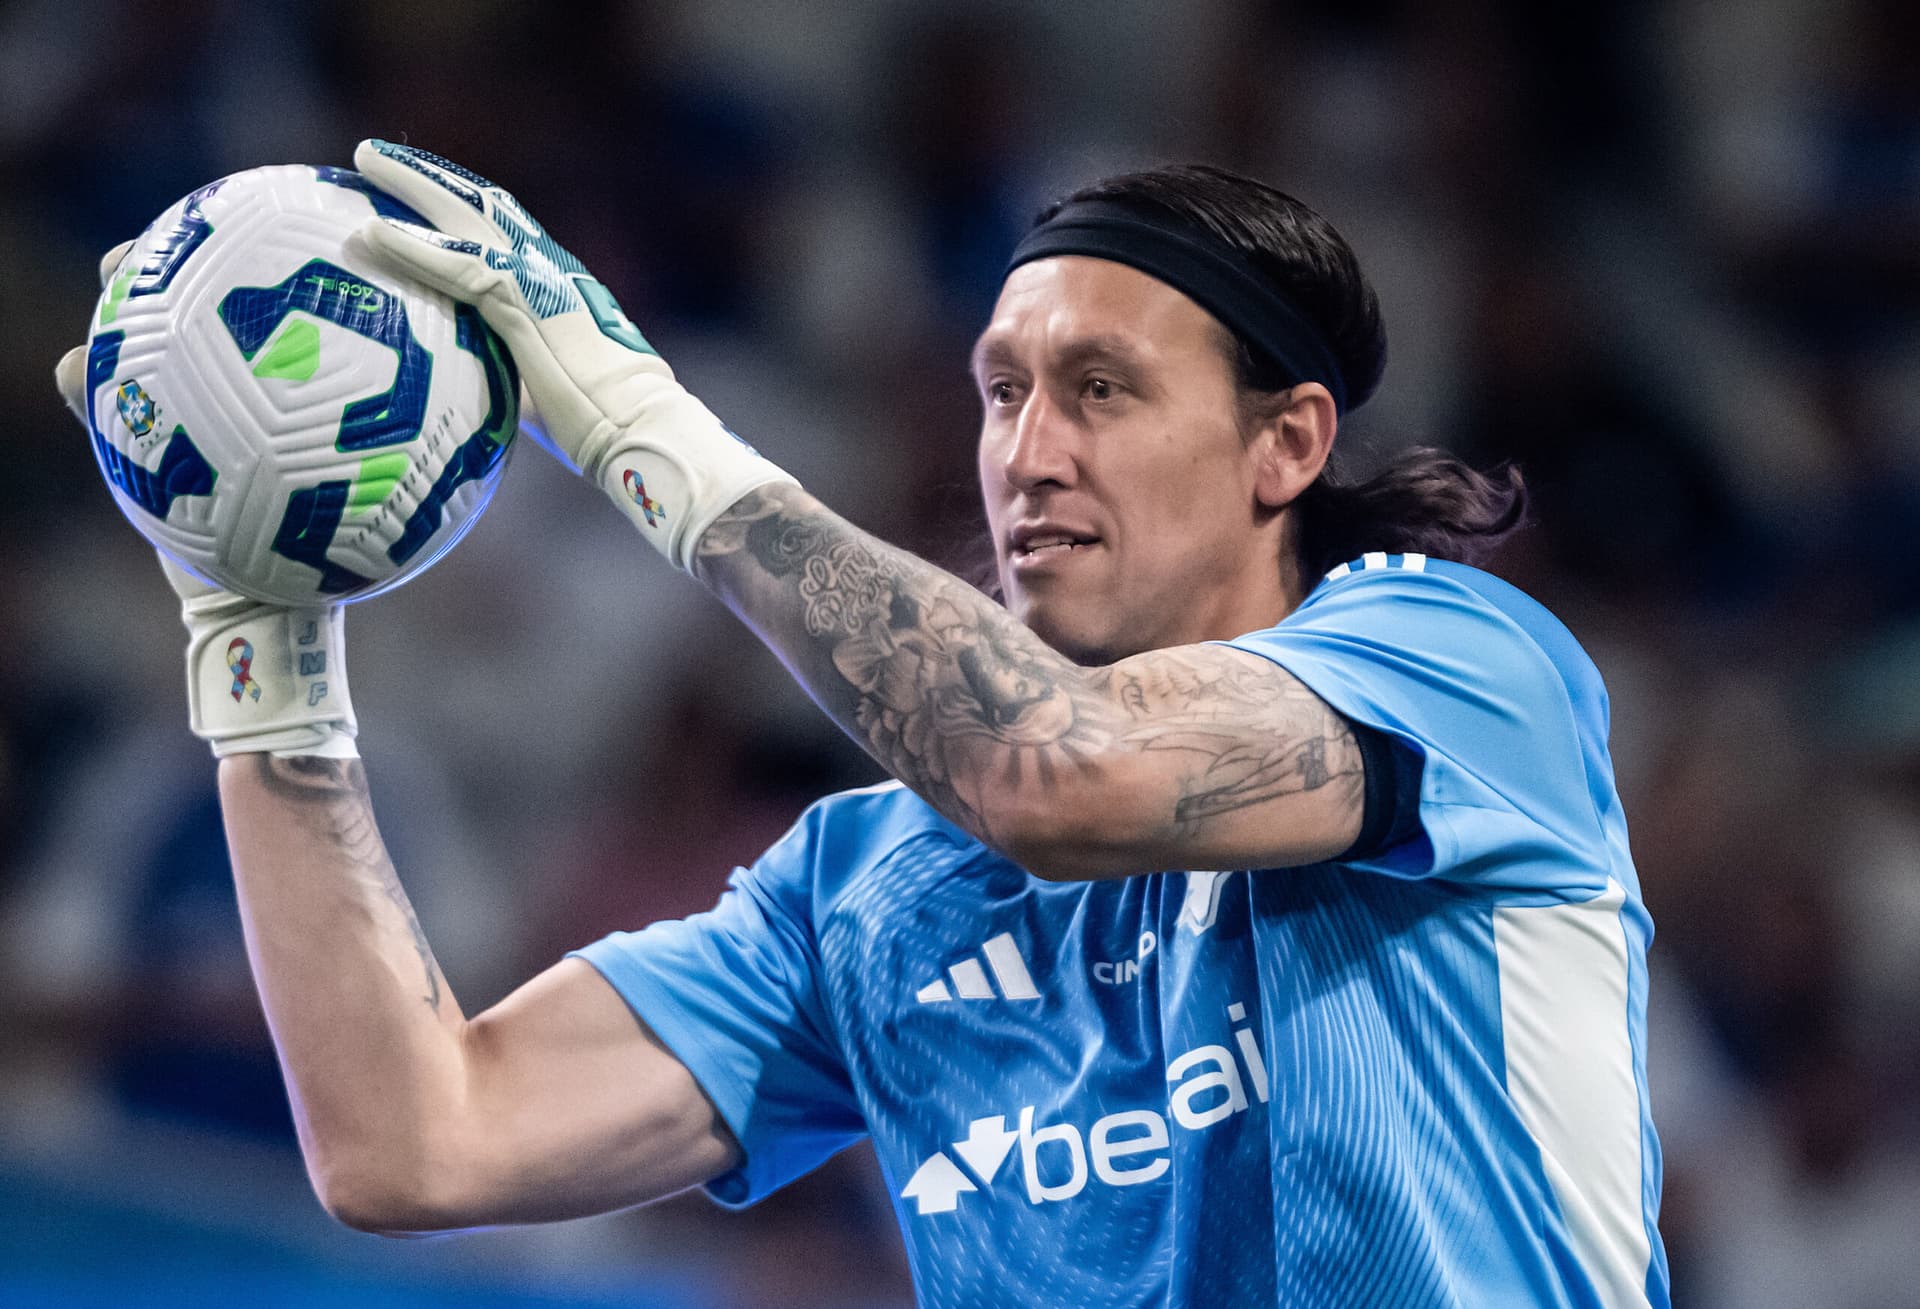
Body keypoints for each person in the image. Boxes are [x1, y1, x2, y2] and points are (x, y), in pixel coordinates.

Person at [57, 140, 1669, 1307]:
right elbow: (415, 1140)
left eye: (1101, 389)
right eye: (999, 389)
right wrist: (255, 625)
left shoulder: (1456, 666)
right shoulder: (872, 887)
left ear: (1286, 442)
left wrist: (641, 428)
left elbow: (1057, 767)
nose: (1027, 450)